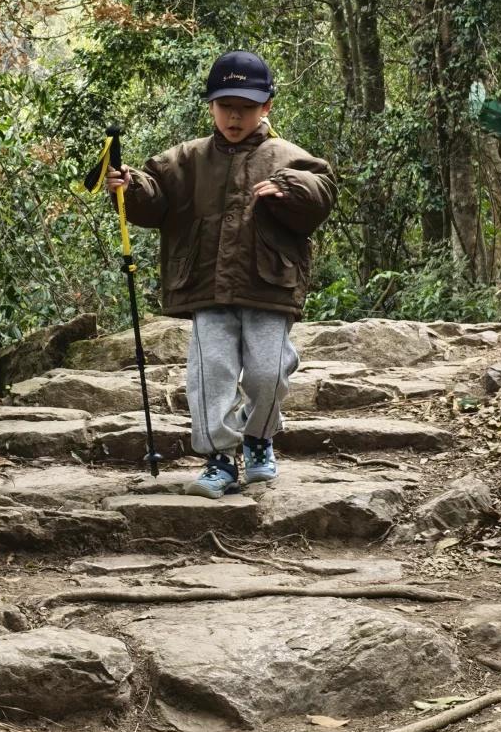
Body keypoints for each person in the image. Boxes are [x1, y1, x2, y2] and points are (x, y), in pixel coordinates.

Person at [106, 49, 337, 496]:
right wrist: (130, 185)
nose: (236, 116)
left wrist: (289, 187)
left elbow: (321, 192)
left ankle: (259, 438)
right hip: (204, 285)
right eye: (227, 105)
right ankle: (219, 458)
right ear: (211, 105)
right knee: (210, 370)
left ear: (266, 107)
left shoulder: (289, 156)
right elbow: (153, 197)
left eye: (247, 107)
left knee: (268, 371)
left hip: (268, 284)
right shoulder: (185, 159)